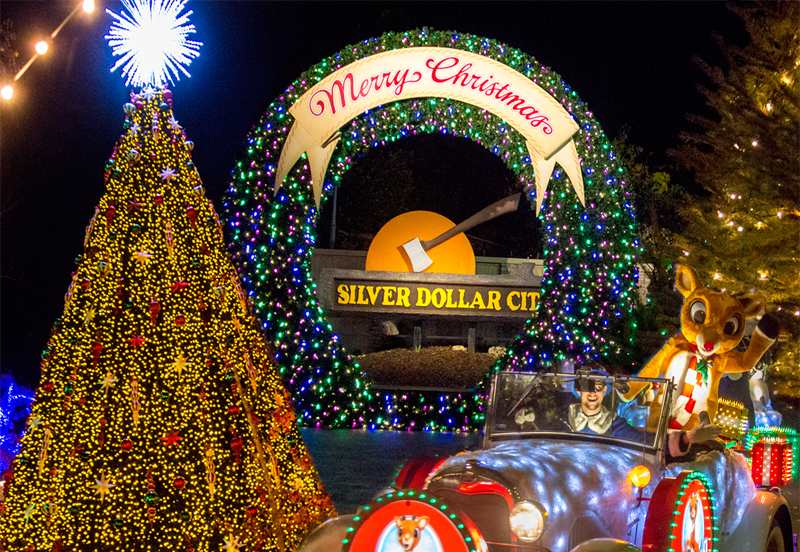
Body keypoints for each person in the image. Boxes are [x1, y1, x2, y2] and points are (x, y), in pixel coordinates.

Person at [569, 368, 722, 462]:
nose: (592, 393)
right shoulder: (564, 419)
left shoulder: (613, 424)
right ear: (579, 391)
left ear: (603, 391)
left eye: (597, 387)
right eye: (587, 387)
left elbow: (645, 441)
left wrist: (687, 438)